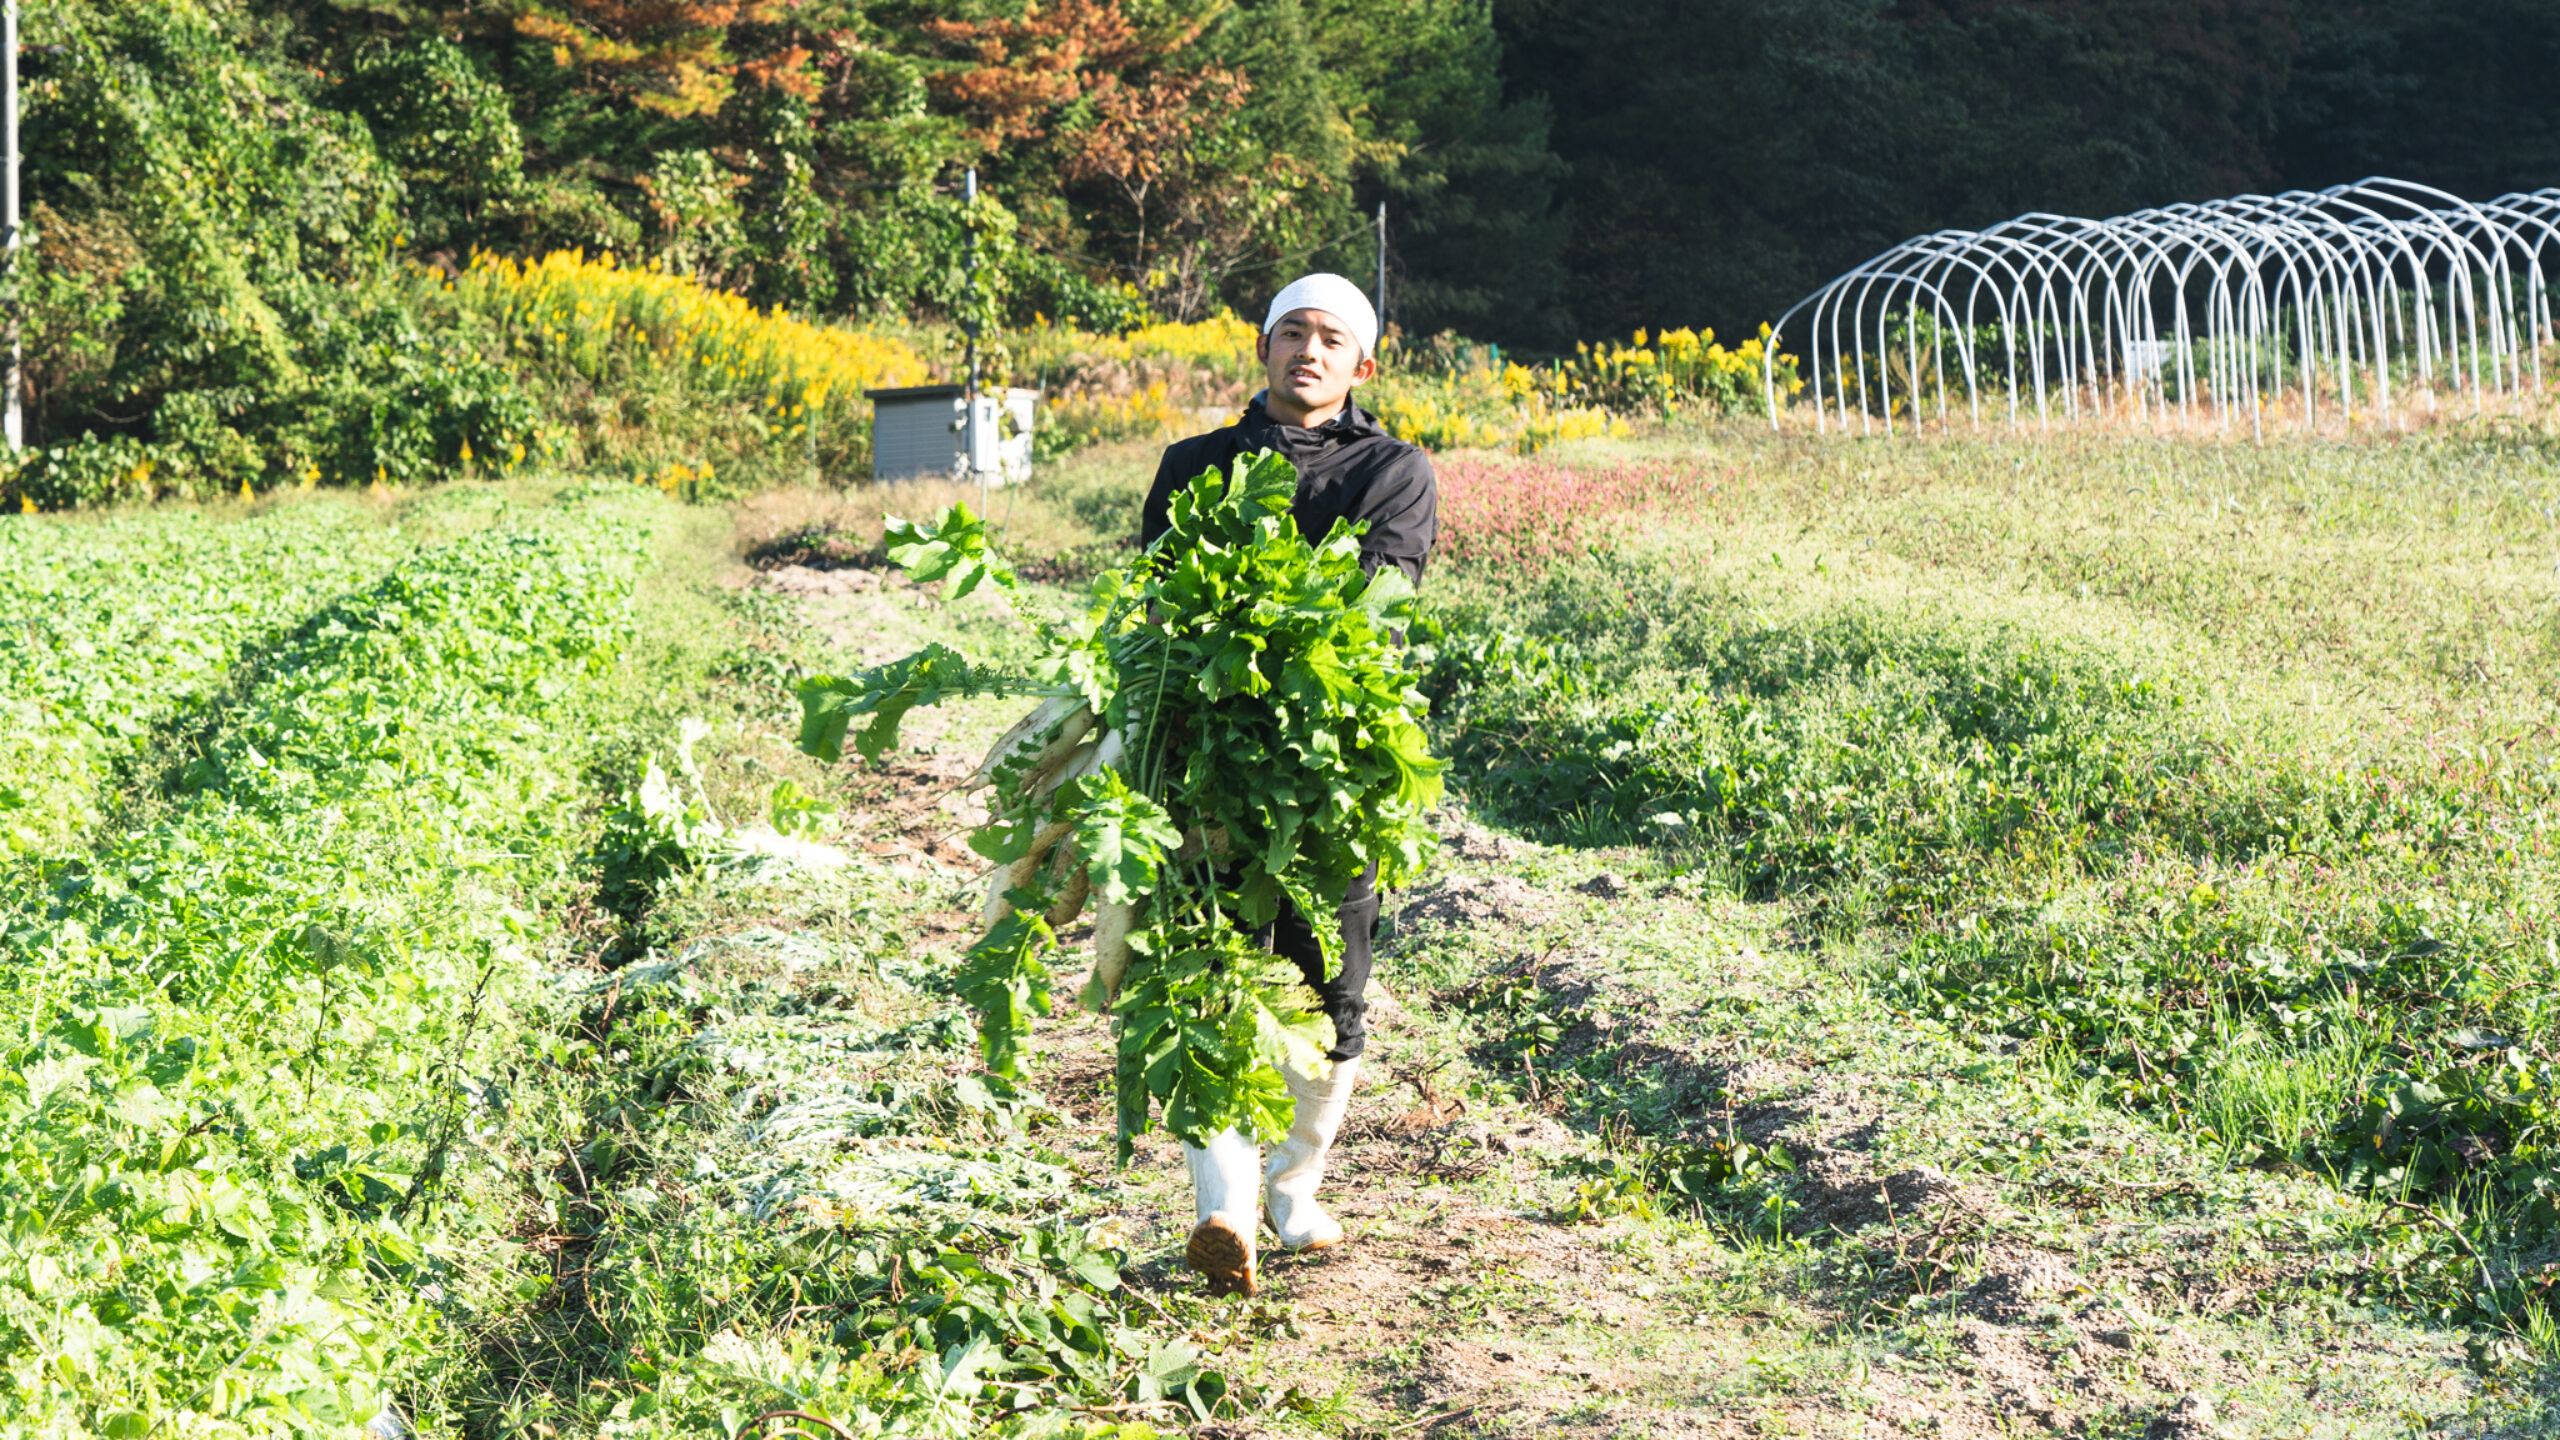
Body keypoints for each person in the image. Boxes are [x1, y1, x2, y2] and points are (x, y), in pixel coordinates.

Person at [1137, 273, 1438, 1296]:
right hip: (1202, 760)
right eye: (1290, 335)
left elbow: (1380, 595)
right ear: (1262, 349)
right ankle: (1221, 1208)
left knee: (1327, 979)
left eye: (1329, 341)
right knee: (1200, 969)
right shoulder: (1193, 465)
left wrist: (1263, 625)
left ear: (1362, 366)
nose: (1306, 353)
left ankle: (1293, 1189)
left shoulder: (1392, 470)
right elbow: (1156, 599)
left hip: (1327, 770)